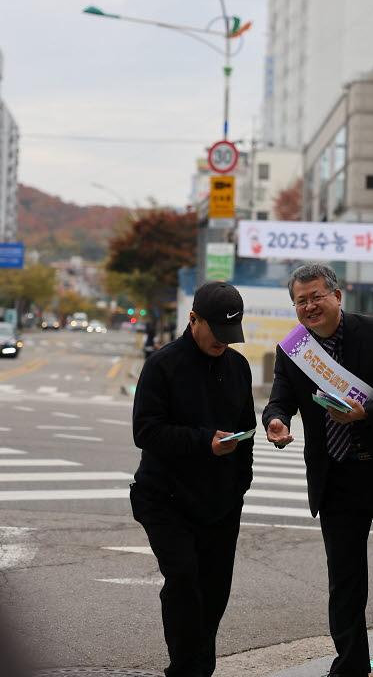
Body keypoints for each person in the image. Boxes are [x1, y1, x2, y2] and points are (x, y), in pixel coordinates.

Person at [263, 264, 373, 677]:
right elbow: (280, 400)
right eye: (300, 300)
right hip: (337, 477)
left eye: (316, 297)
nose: (309, 306)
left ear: (337, 297)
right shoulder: (294, 351)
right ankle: (349, 666)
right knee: (344, 580)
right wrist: (275, 421)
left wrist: (366, 414)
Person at [131, 281, 256, 677]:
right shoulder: (163, 365)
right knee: (184, 581)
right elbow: (146, 431)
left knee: (215, 592)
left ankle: (199, 668)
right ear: (193, 319)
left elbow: (246, 428)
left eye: (230, 335)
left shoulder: (237, 366)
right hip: (165, 497)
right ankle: (186, 670)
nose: (223, 342)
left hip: (221, 501)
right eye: (216, 332)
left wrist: (240, 484)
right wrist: (205, 442)